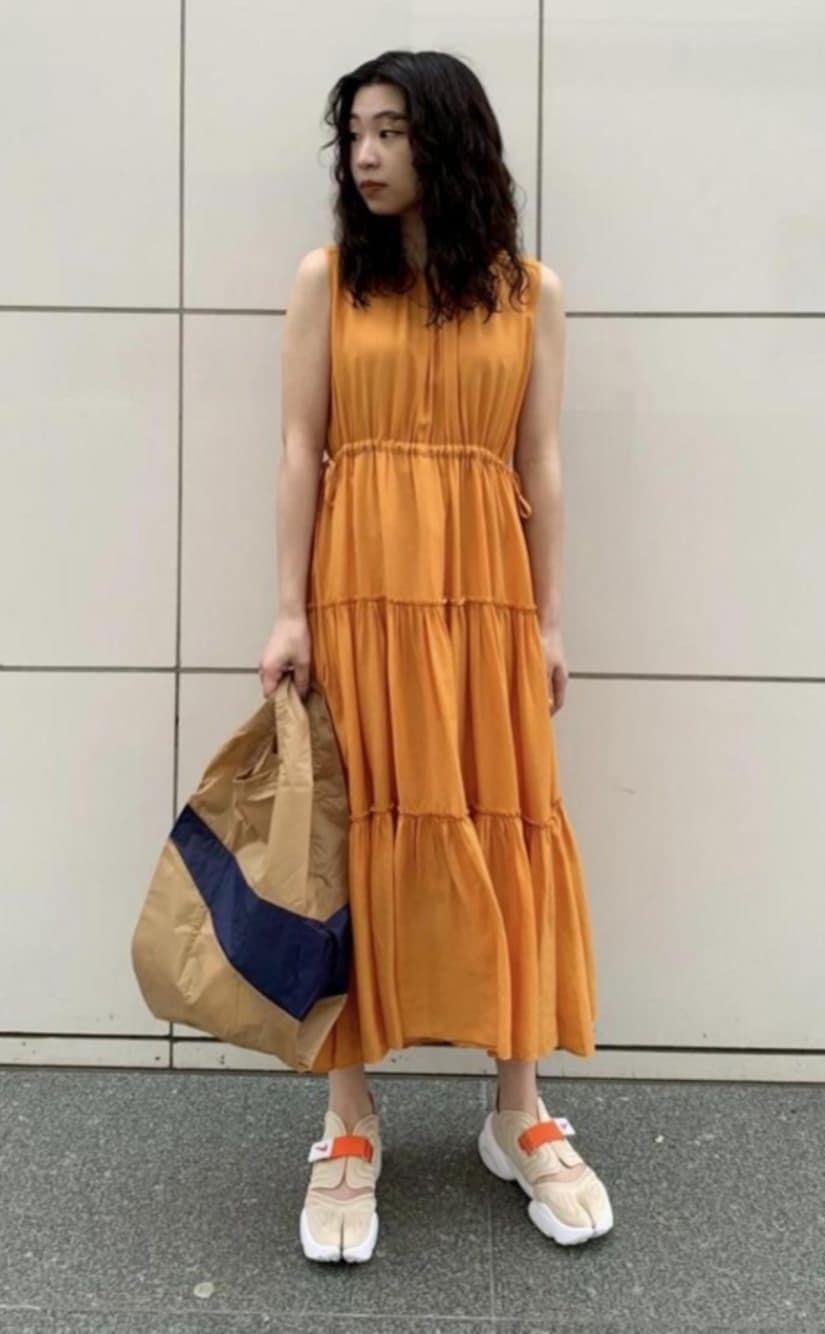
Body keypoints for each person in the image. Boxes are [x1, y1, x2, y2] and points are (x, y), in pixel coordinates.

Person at [257, 49, 612, 1263]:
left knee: (501, 820)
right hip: (358, 593)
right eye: (353, 132)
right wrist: (288, 609)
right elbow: (299, 448)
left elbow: (538, 462)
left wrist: (547, 619)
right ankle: (347, 1115)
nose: (365, 154)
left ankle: (518, 1109)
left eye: (392, 131)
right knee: (356, 836)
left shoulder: (529, 294)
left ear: (448, 142)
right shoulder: (327, 279)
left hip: (485, 600)